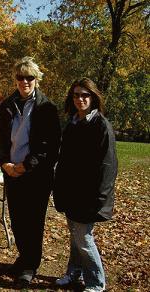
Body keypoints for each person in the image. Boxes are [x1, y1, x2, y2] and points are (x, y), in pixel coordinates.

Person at [0, 56, 61, 285]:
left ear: (36, 80)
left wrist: (26, 165)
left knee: (33, 221)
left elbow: (50, 146)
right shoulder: (7, 105)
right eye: (20, 77)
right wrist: (5, 164)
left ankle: (30, 266)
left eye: (29, 77)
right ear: (16, 80)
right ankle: (24, 257)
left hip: (36, 176)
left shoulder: (46, 108)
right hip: (12, 172)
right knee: (18, 220)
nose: (25, 82)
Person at [53, 77, 118, 292]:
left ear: (93, 97)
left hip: (89, 196)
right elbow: (65, 161)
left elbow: (108, 166)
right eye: (76, 95)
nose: (80, 99)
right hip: (72, 193)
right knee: (76, 236)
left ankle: (96, 283)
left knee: (83, 238)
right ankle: (74, 273)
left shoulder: (101, 126)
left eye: (85, 95)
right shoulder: (73, 124)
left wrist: (99, 198)